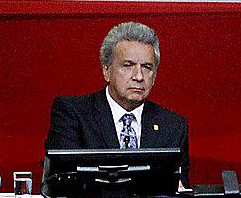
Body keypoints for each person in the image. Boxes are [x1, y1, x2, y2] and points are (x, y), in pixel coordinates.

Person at [44, 21, 190, 182]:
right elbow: (61, 180)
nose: (139, 76)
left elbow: (179, 188)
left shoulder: (173, 125)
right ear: (106, 70)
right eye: (128, 65)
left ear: (154, 76)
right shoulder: (73, 113)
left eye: (147, 67)